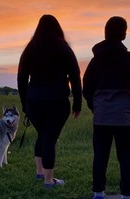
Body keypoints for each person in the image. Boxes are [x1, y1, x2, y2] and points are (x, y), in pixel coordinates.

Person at [83, 16, 130, 199]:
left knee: (100, 157)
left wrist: (95, 106)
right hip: (124, 117)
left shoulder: (95, 61)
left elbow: (87, 86)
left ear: (105, 33)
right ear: (124, 34)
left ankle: (98, 197)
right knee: (126, 158)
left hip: (102, 116)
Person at [17, 14, 82, 188]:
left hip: (34, 101)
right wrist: (77, 103)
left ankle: (40, 173)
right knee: (49, 138)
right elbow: (75, 76)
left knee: (43, 135)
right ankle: (49, 180)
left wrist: (25, 103)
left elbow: (21, 78)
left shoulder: (30, 49)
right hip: (57, 101)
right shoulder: (64, 48)